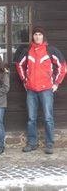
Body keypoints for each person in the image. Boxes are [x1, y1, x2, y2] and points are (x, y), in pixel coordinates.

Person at [14, 26, 66, 154]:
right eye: (35, 34)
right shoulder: (27, 51)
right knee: (32, 118)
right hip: (31, 90)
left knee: (48, 118)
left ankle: (49, 144)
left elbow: (63, 66)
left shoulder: (51, 50)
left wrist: (56, 83)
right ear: (33, 37)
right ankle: (32, 143)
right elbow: (19, 64)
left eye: (40, 34)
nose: (37, 36)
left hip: (46, 90)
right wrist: (25, 81)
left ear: (43, 36)